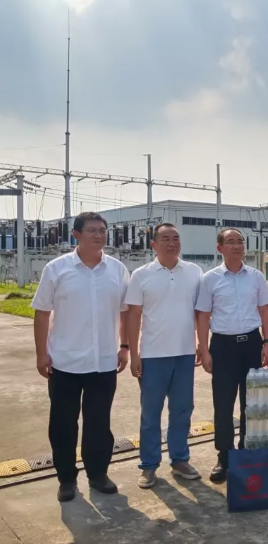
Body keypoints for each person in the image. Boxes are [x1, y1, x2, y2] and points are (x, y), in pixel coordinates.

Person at [31, 212, 130, 502]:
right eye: (92, 230)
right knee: (63, 425)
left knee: (99, 424)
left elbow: (125, 312)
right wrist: (41, 354)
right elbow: (41, 312)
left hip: (103, 362)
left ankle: (98, 474)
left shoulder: (117, 270)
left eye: (103, 230)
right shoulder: (57, 269)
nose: (99, 235)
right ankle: (66, 479)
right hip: (64, 362)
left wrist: (125, 346)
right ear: (76, 235)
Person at [126, 223, 203, 489]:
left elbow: (200, 312)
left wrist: (201, 344)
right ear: (154, 245)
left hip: (184, 353)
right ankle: (148, 465)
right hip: (152, 355)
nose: (172, 243)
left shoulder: (194, 272)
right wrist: (133, 353)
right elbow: (133, 316)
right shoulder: (141, 275)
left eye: (176, 238)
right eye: (166, 239)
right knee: (151, 413)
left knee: (182, 410)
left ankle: (180, 459)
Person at [195, 228, 268, 483]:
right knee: (223, 404)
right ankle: (225, 456)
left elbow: (265, 311)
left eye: (240, 241)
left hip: (251, 343)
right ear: (220, 248)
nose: (237, 246)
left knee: (251, 402)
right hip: (223, 346)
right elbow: (203, 316)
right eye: (231, 242)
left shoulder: (256, 277)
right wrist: (204, 349)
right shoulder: (210, 279)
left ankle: (247, 451)